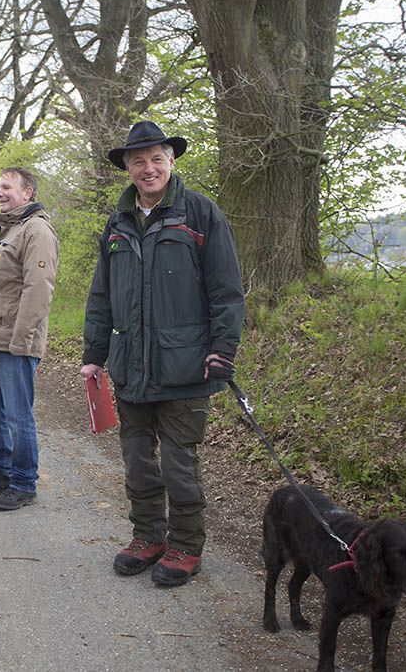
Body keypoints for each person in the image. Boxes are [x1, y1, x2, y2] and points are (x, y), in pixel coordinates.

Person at [81, 121, 244, 587]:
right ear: (128, 169)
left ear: (171, 162)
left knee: (178, 463)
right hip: (130, 362)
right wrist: (94, 354)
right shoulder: (117, 223)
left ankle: (186, 545)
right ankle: (147, 537)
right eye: (139, 161)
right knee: (136, 460)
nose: (148, 168)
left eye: (156, 159)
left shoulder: (200, 213)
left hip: (186, 364)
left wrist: (222, 348)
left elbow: (227, 292)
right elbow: (102, 296)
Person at [0, 168, 58, 511]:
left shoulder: (37, 230)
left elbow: (38, 289)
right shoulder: (10, 229)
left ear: (28, 192)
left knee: (18, 416)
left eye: (6, 186)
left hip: (15, 343)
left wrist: (22, 340)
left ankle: (23, 483)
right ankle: (0, 473)